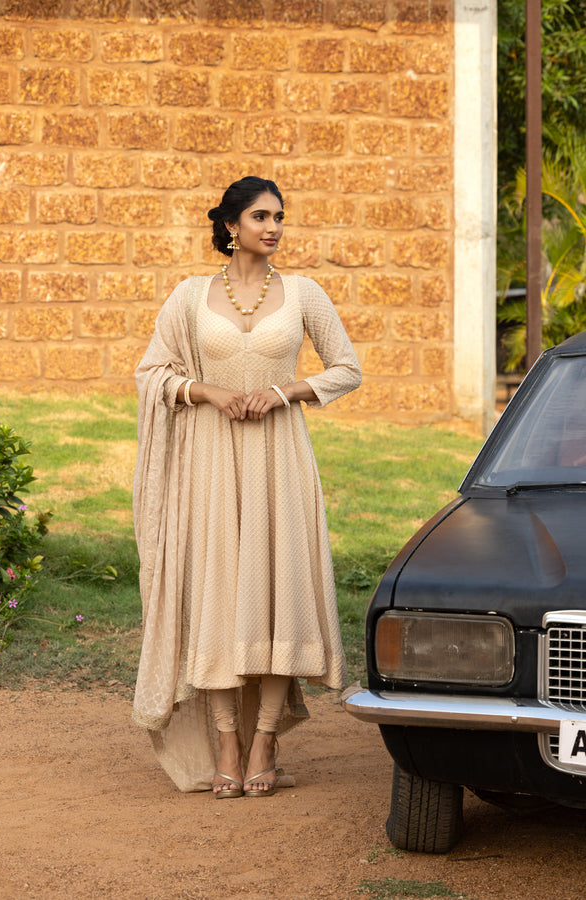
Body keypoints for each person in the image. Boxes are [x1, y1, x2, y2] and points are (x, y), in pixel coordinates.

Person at [132, 176, 361, 798]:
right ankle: (225, 741)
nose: (274, 227)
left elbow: (347, 369)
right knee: (219, 593)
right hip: (209, 461)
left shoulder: (305, 294)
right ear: (231, 225)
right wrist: (209, 391)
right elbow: (152, 373)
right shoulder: (188, 297)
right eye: (261, 216)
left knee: (276, 590)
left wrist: (282, 391)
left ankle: (265, 737)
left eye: (280, 217)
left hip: (279, 459)